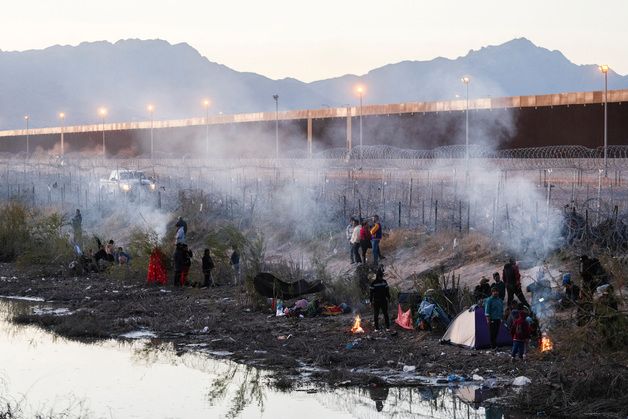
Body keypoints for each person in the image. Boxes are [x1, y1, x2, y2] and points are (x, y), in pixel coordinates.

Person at [370, 265, 390, 331]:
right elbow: (371, 293)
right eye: (380, 277)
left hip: (384, 300)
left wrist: (389, 298)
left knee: (385, 314)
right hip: (376, 301)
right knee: (376, 315)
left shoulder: (384, 282)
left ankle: (387, 327)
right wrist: (371, 301)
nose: (381, 278)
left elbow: (387, 291)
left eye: (382, 276)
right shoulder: (373, 283)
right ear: (378, 276)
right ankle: (376, 328)